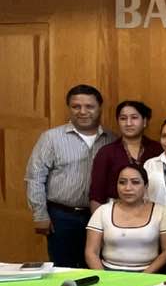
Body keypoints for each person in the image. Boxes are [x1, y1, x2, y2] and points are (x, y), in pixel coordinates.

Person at [25, 84, 116, 267]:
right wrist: (40, 215)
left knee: (96, 268)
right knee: (63, 268)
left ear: (99, 108)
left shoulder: (112, 139)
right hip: (61, 216)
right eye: (76, 106)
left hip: (101, 216)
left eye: (89, 106)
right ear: (69, 108)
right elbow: (35, 177)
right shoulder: (51, 138)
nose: (82, 112)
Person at [84, 164, 166, 272]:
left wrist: (145, 275)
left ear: (146, 186)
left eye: (135, 182)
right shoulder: (102, 211)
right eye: (122, 182)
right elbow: (91, 252)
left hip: (149, 273)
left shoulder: (161, 212)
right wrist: (104, 277)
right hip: (107, 272)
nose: (128, 188)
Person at [89, 100, 162, 212]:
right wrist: (99, 221)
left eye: (134, 118)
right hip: (115, 213)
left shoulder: (158, 150)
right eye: (123, 118)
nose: (128, 123)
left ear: (144, 121)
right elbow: (96, 195)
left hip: (153, 211)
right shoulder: (107, 152)